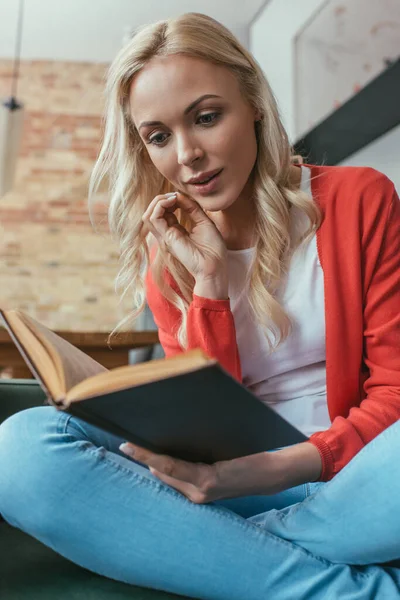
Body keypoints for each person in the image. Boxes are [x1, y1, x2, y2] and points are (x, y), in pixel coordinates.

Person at [1, 12, 400, 600]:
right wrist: (209, 281)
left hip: (353, 476)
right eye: (158, 136)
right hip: (224, 483)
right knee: (20, 450)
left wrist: (280, 467)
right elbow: (205, 432)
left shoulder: (359, 199)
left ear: (255, 105)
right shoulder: (168, 258)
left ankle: (221, 550)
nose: (187, 154)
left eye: (207, 118)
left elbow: (394, 394)